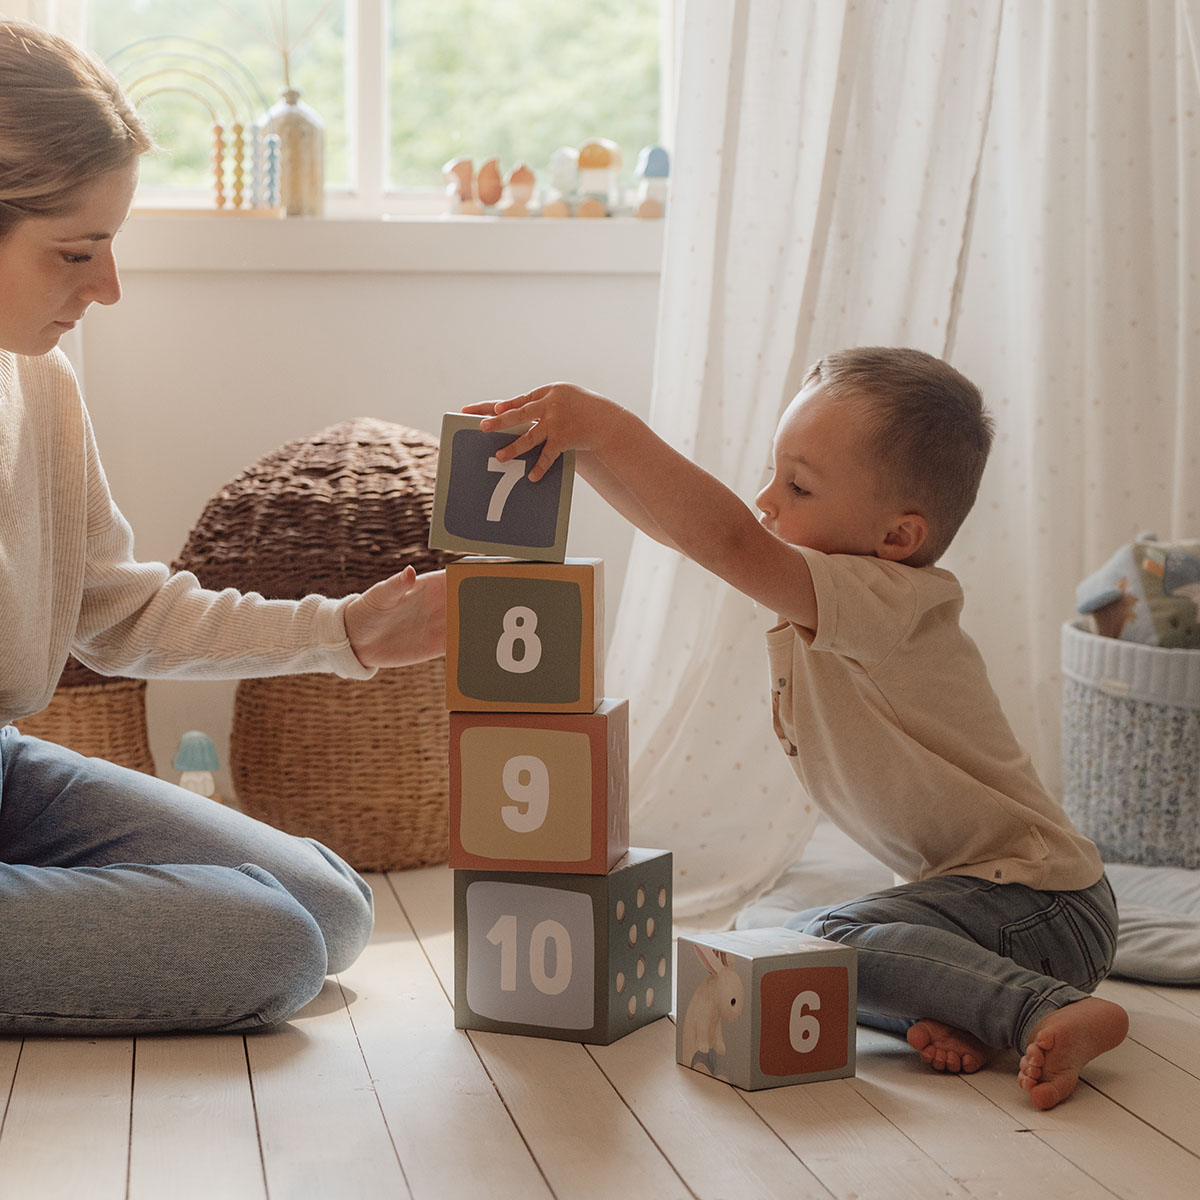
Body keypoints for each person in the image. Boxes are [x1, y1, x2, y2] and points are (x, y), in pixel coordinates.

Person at [465, 347, 1129, 1110]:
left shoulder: (882, 599)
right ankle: (964, 1007)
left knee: (817, 940)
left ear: (897, 538)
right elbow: (686, 535)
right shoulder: (840, 591)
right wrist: (578, 450)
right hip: (985, 910)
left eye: (799, 485)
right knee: (760, 937)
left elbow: (726, 541)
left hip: (1045, 907)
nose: (767, 500)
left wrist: (609, 427)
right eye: (775, 473)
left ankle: (1047, 1009)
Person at [0, 19, 445, 1034]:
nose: (106, 288)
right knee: (271, 946)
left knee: (330, 907)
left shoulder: (40, 384)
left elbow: (115, 611)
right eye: (75, 251)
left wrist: (348, 633)